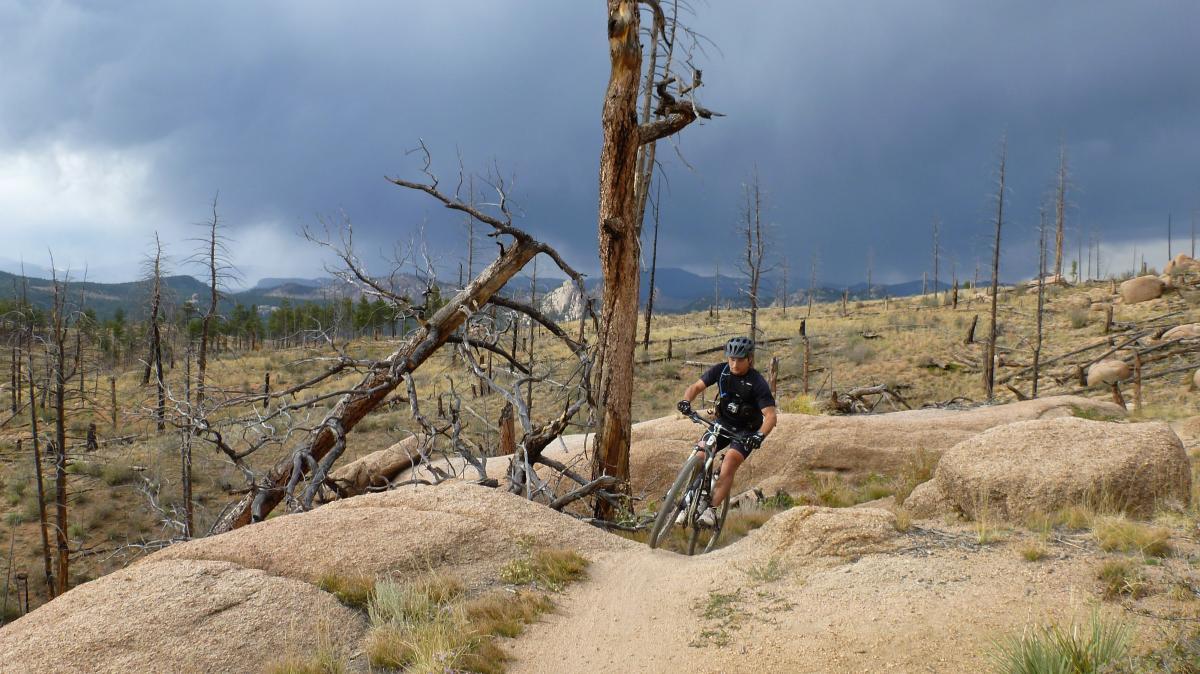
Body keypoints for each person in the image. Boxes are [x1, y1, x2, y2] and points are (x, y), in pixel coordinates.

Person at [675, 336, 777, 527]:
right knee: (700, 453)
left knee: (729, 462)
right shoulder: (721, 371)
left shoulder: (757, 382)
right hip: (723, 423)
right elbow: (696, 387)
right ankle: (688, 500)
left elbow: (770, 416)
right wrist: (686, 401)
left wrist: (759, 436)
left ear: (750, 359)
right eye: (732, 358)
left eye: (739, 359)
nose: (734, 363)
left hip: (746, 432)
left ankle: (711, 511)